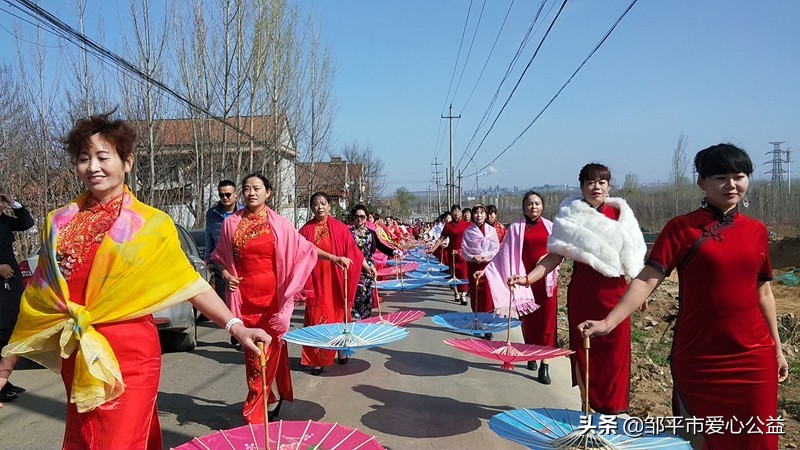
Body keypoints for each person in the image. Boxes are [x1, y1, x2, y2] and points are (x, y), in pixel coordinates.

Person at [0, 113, 269, 449]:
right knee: (88, 437)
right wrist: (5, 369)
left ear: (126, 161)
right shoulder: (58, 222)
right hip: (80, 353)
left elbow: (191, 284)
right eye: (84, 159)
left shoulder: (150, 224)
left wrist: (236, 327)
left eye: (102, 157)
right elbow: (39, 301)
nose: (93, 167)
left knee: (119, 440)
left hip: (132, 355)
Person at [580, 145, 789, 449]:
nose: (731, 185)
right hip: (699, 355)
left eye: (739, 176)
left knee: (758, 437)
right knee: (701, 438)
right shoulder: (681, 229)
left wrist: (778, 350)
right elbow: (648, 278)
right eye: (720, 177)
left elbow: (764, 291)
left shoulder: (757, 231)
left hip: (753, 356)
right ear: (702, 183)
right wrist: (609, 322)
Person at [509, 163, 646, 414]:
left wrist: (640, 291)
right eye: (591, 182)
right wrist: (529, 278)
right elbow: (554, 257)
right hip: (584, 294)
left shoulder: (622, 216)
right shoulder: (569, 217)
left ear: (609, 186)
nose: (597, 187)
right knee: (585, 353)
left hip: (617, 295)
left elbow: (635, 259)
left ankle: (614, 413)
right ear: (581, 186)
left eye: (602, 182)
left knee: (615, 357)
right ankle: (587, 410)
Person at [211, 174, 343, 423]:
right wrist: (227, 274)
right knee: (253, 355)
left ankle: (255, 407)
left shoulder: (280, 225)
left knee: (267, 352)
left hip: (274, 301)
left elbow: (306, 248)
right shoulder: (231, 224)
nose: (251, 193)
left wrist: (333, 258)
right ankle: (271, 396)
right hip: (245, 300)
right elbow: (218, 257)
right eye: (247, 188)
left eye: (257, 188)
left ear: (268, 193)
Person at [482, 191, 560, 384]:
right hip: (523, 283)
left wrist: (547, 259)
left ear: (543, 206)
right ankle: (531, 352)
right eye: (529, 204)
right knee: (530, 321)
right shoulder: (516, 229)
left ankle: (545, 364)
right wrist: (485, 270)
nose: (533, 207)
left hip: (546, 282)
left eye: (537, 203)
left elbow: (560, 253)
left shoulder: (552, 227)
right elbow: (503, 255)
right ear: (523, 206)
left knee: (547, 324)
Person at [299, 193, 361, 375]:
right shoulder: (304, 231)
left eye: (323, 203)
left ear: (329, 206)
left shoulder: (340, 229)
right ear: (311, 208)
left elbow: (354, 253)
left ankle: (341, 351)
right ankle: (318, 360)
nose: (320, 207)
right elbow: (297, 254)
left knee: (338, 315)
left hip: (335, 281)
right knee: (316, 318)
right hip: (316, 281)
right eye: (316, 204)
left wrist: (366, 266)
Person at [0, 190, 34, 402]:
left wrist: (12, 202)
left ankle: (4, 379)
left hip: (11, 282)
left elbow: (27, 223)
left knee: (11, 327)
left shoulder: (3, 220)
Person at [348, 204, 395, 320]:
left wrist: (393, 252)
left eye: (362, 217)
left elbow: (380, 245)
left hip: (368, 267)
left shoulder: (371, 233)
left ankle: (366, 318)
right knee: (355, 293)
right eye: (357, 216)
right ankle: (354, 318)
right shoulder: (348, 232)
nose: (359, 219)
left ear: (366, 217)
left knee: (367, 293)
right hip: (354, 267)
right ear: (353, 218)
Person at [461, 205, 499, 333]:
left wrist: (484, 256)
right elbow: (464, 251)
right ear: (473, 215)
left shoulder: (492, 231)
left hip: (488, 266)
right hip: (473, 266)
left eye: (482, 213)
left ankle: (488, 324)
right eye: (476, 213)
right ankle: (477, 320)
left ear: (486, 214)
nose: (479, 215)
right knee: (476, 296)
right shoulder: (468, 232)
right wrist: (473, 257)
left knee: (488, 295)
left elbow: (496, 249)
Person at [204, 179, 242, 301]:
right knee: (223, 298)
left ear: (236, 194)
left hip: (240, 260)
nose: (225, 198)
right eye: (221, 195)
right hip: (220, 261)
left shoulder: (244, 211)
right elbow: (209, 236)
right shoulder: (212, 213)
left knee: (240, 297)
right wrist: (209, 260)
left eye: (228, 194)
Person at [429, 205, 470, 305]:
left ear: (461, 212)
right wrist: (433, 248)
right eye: (454, 211)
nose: (456, 213)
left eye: (458, 211)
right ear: (451, 213)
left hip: (464, 252)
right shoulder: (448, 226)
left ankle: (463, 295)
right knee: (454, 273)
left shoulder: (467, 225)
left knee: (464, 273)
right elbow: (441, 238)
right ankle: (456, 292)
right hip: (452, 252)